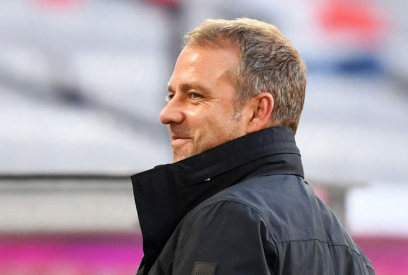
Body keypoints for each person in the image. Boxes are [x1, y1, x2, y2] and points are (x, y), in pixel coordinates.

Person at [131, 18, 375, 275]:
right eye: (171, 96)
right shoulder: (342, 244)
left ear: (258, 111)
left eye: (195, 96)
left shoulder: (229, 217)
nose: (167, 114)